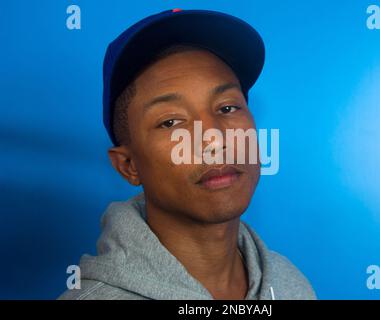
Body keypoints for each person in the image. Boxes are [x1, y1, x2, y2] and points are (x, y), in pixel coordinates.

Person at [59, 8, 315, 300]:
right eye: (170, 122)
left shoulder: (290, 285)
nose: (214, 140)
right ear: (128, 165)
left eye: (227, 108)